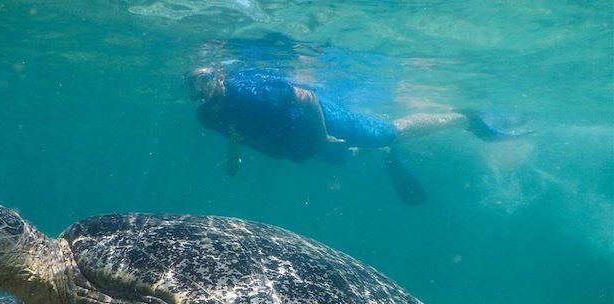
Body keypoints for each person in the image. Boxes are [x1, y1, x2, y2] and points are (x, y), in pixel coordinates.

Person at [186, 66, 527, 203]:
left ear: (218, 76)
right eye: (191, 84)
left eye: (203, 79)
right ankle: (379, 152)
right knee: (347, 158)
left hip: (321, 124)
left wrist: (321, 137)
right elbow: (236, 133)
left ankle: (462, 119)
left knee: (389, 133)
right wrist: (234, 157)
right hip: (291, 145)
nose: (197, 89)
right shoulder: (205, 115)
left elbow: (308, 97)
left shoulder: (248, 92)